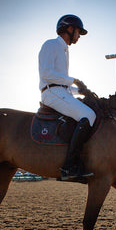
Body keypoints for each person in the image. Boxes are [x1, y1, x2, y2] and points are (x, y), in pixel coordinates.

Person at [39, 14, 96, 181]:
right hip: (50, 92)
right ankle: (69, 166)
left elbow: (62, 84)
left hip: (59, 91)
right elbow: (47, 74)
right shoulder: (51, 44)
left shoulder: (65, 51)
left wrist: (82, 91)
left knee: (90, 108)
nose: (78, 36)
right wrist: (75, 80)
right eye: (78, 32)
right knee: (88, 115)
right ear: (69, 29)